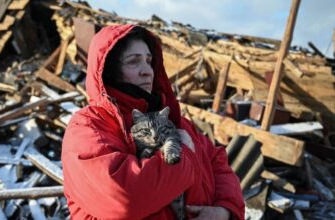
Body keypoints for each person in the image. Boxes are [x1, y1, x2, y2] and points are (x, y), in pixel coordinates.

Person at [62, 24, 244, 220]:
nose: (147, 71)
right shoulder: (89, 127)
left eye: (149, 61)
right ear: (109, 71)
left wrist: (224, 210)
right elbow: (126, 198)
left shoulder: (174, 121)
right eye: (134, 61)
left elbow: (218, 162)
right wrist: (185, 154)